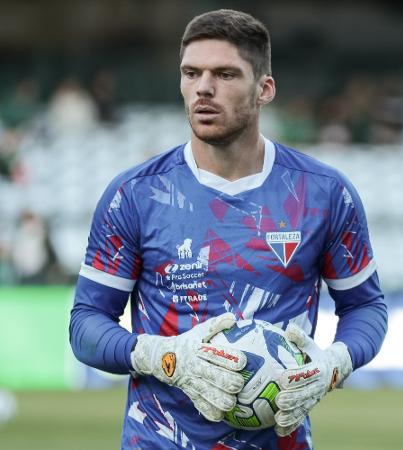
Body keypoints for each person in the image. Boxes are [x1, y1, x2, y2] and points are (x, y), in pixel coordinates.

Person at [69, 9, 387, 449]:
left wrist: (332, 364)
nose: (203, 87)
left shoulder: (324, 194)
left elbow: (366, 307)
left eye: (225, 74)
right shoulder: (135, 195)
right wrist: (165, 356)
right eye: (191, 73)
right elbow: (86, 323)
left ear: (265, 89)